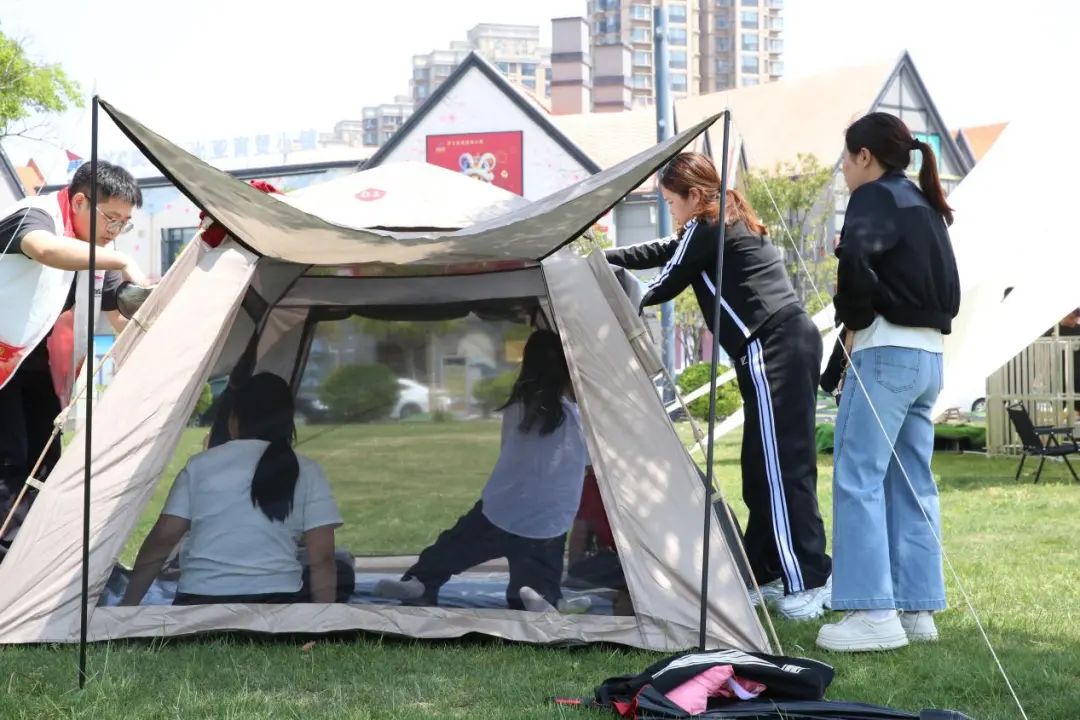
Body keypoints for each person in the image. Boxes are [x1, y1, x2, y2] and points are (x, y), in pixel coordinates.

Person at [605, 152, 831, 620]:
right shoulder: (716, 221)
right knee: (758, 468)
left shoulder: (711, 224)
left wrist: (609, 290)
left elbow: (663, 283)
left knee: (782, 469)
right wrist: (598, 260)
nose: (671, 211)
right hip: (777, 346)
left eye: (671, 202)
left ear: (694, 195)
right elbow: (665, 250)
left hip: (774, 346)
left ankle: (810, 579)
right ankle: (767, 574)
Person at [816, 112, 960, 652]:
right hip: (929, 357)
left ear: (865, 157)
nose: (843, 169)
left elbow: (855, 259)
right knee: (912, 482)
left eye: (845, 158)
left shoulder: (873, 196)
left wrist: (853, 319)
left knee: (858, 477)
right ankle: (916, 611)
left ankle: (873, 613)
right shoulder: (924, 203)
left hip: (885, 353)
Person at [375, 329, 589, 613]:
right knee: (539, 569)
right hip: (547, 521)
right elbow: (588, 463)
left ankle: (421, 582)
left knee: (454, 546)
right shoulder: (579, 417)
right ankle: (540, 597)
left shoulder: (518, 407)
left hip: (502, 507)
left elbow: (508, 450)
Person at [0, 161, 148, 547]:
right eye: (110, 218)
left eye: (124, 223)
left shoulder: (97, 253)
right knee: (9, 460)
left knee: (43, 463)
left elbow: (120, 316)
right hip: (4, 364)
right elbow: (45, 249)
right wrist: (122, 260)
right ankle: (8, 559)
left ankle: (26, 551)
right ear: (79, 202)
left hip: (33, 366)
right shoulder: (36, 214)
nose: (114, 231)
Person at [120, 373, 342, 605]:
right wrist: (324, 618)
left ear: (234, 419)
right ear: (288, 422)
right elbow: (322, 559)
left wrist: (128, 605)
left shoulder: (200, 465)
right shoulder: (307, 470)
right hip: (277, 604)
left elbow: (164, 538)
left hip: (199, 600)